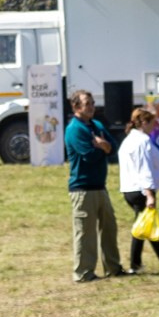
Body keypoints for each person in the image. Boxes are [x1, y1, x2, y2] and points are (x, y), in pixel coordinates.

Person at [64, 91, 123, 282]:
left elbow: (113, 148)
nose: (91, 107)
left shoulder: (96, 125)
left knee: (110, 228)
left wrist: (103, 145)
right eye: (86, 104)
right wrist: (102, 148)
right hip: (82, 189)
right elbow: (88, 155)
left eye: (92, 103)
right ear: (76, 107)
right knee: (85, 233)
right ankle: (83, 272)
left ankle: (113, 268)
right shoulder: (75, 129)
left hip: (100, 187)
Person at [118, 105, 159, 272]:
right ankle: (135, 264)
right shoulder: (142, 141)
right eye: (151, 123)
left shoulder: (129, 140)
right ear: (143, 122)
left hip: (130, 188)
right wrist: (149, 193)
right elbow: (144, 168)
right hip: (140, 189)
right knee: (140, 228)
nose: (153, 126)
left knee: (146, 223)